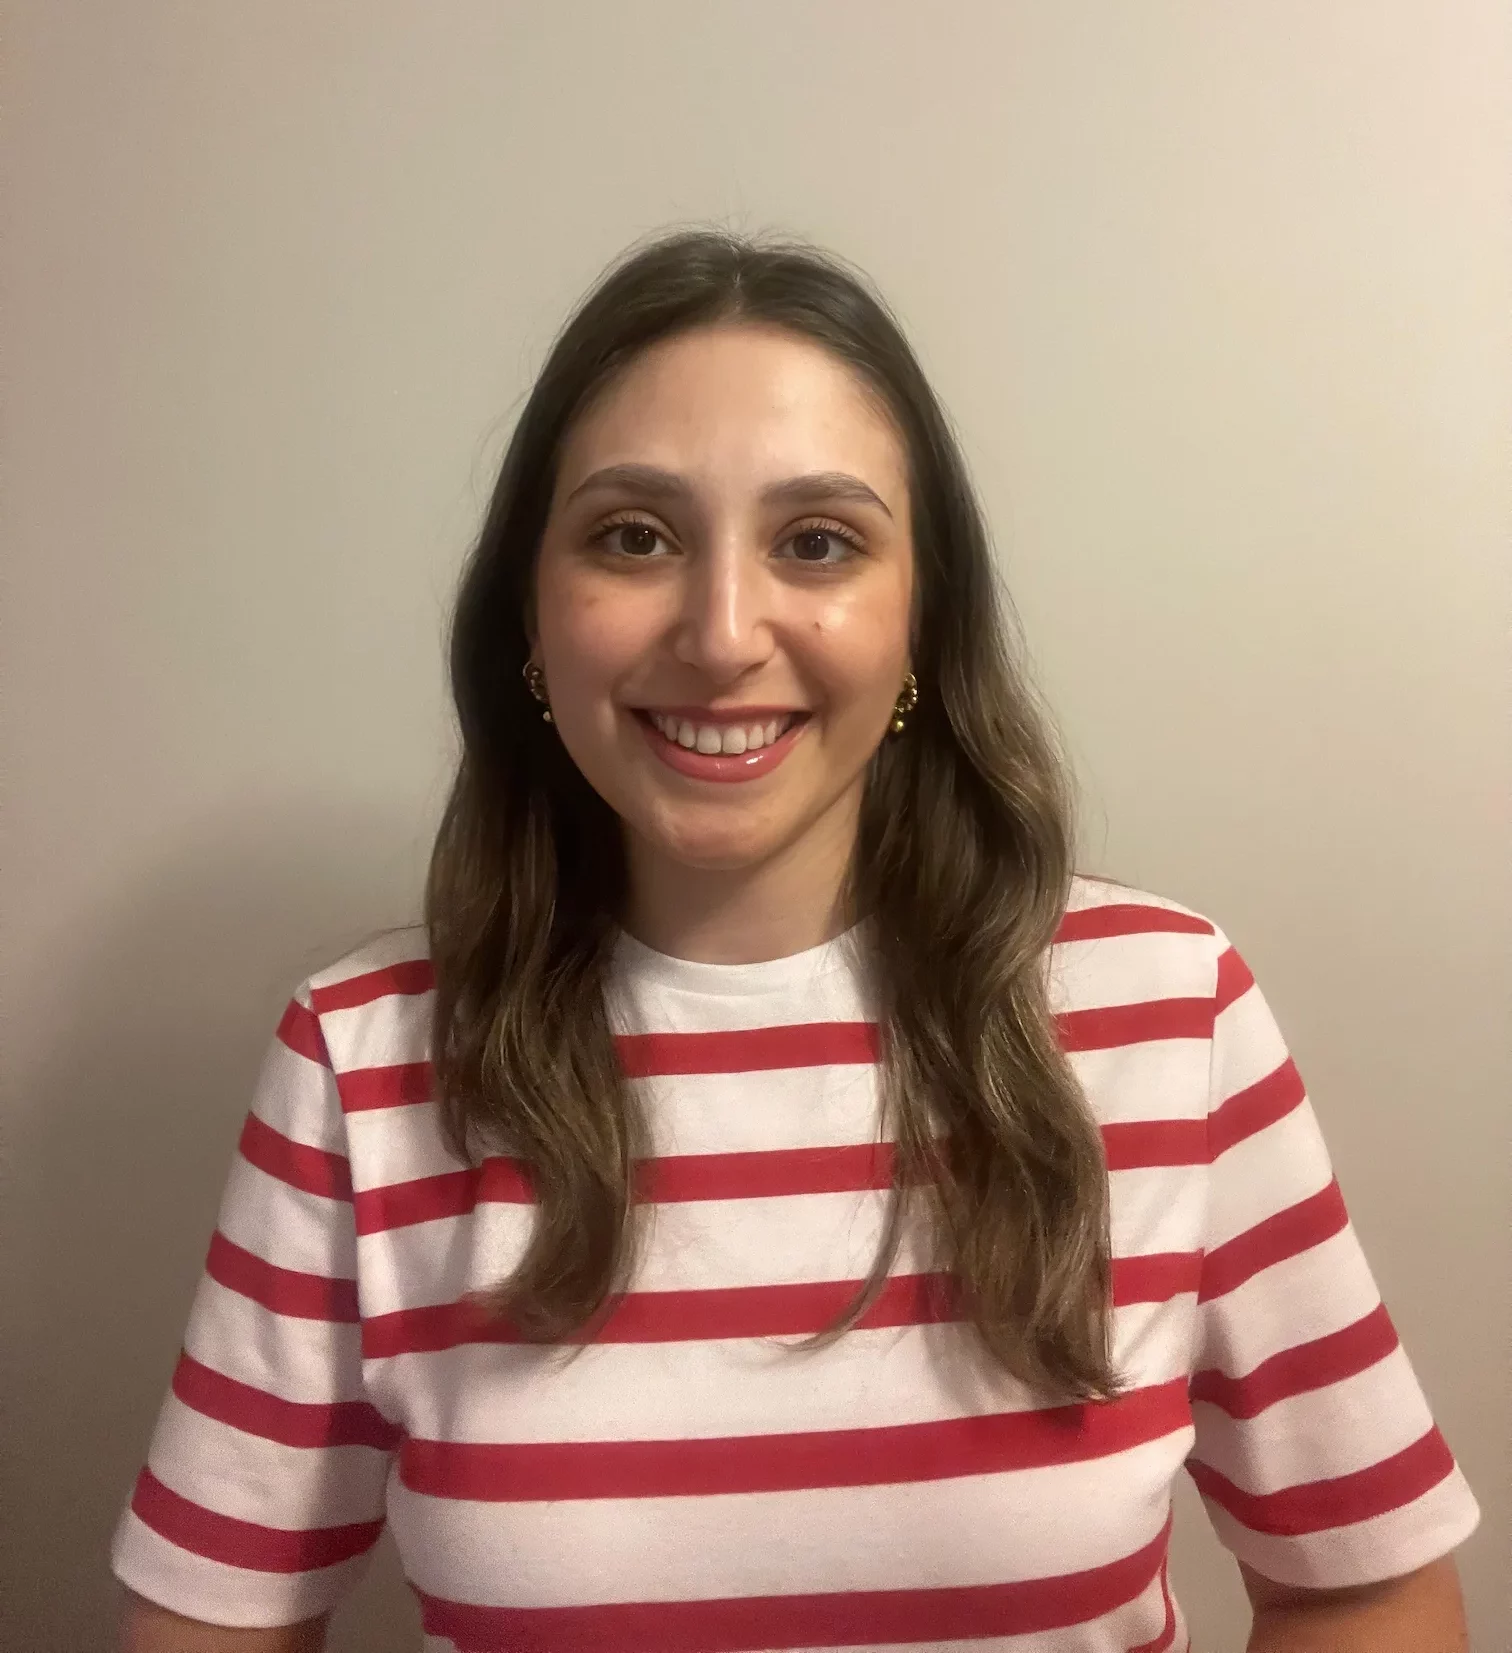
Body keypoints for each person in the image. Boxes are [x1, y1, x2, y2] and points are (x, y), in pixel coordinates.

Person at [113, 231, 1479, 1653]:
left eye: (817, 541)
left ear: (919, 619)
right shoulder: (361, 1062)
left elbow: (1364, 1583)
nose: (721, 635)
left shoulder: (1170, 1013)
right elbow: (214, 1623)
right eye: (633, 536)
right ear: (531, 613)